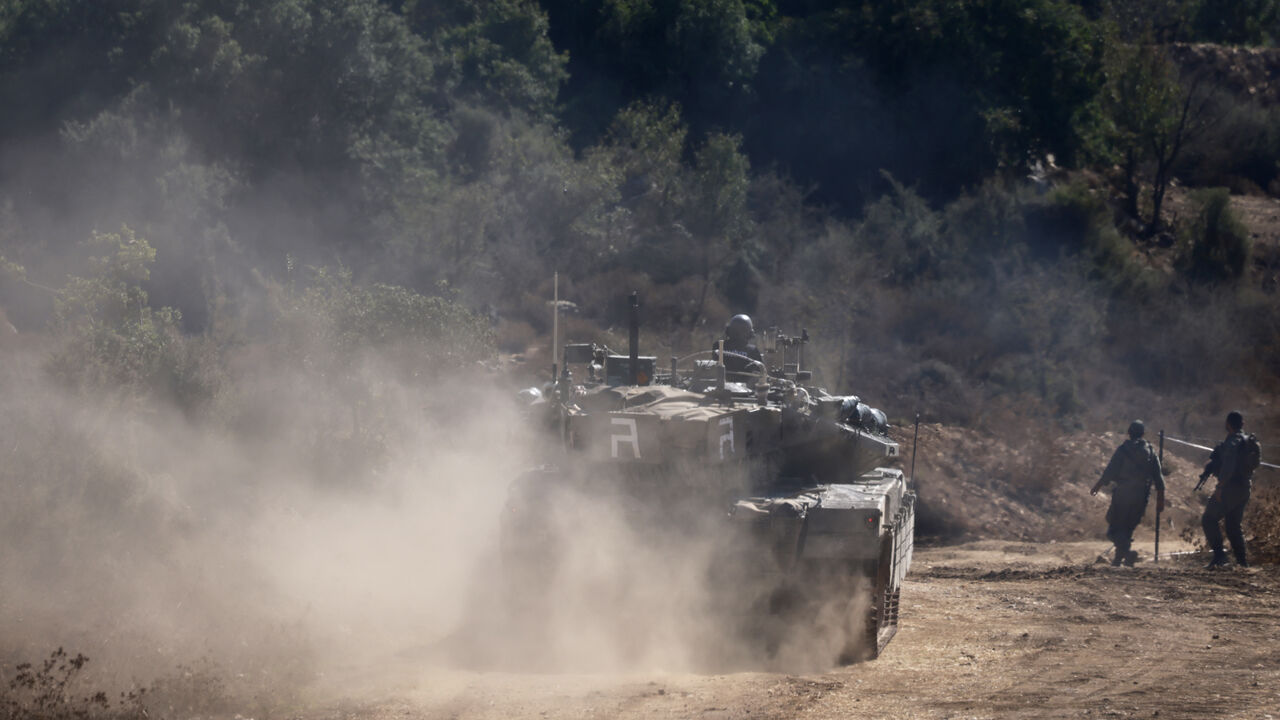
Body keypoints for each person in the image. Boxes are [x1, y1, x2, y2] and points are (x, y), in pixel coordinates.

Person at [1091, 420, 1166, 566]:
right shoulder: (1150, 451)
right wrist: (1160, 500)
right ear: (1143, 434)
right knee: (1128, 529)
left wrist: (1098, 486)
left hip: (1123, 494)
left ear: (1129, 433)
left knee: (1113, 529)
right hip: (1141, 496)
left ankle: (1127, 553)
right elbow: (1159, 478)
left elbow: (1110, 471)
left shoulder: (1123, 450)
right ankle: (1118, 560)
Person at [1200, 411, 1257, 569]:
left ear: (1228, 424)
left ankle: (1220, 557)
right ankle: (1242, 562)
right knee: (1233, 525)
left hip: (1230, 487)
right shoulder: (1246, 441)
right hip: (1244, 487)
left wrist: (1220, 487)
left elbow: (1229, 465)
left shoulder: (1233, 441)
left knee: (1208, 519)